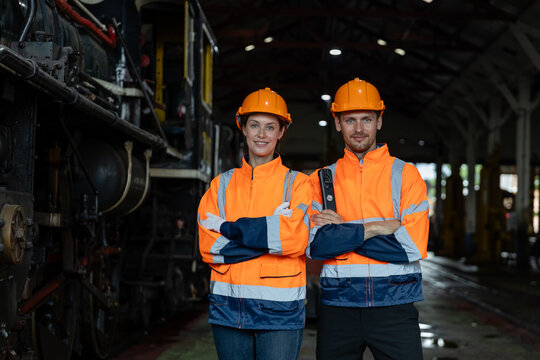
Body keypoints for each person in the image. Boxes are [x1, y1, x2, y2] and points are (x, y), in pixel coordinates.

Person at [308, 78, 429, 359]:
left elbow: (410, 246)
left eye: (366, 119)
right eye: (350, 120)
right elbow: (316, 246)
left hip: (395, 307)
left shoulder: (406, 175)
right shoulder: (323, 179)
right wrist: (376, 228)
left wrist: (343, 234)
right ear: (337, 123)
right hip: (338, 308)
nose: (359, 129)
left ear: (379, 121)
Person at [198, 87, 311, 360]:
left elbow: (296, 240)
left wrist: (229, 228)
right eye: (254, 125)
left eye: (270, 127)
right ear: (243, 128)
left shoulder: (297, 184)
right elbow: (210, 248)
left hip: (280, 314)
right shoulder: (220, 185)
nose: (262, 134)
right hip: (229, 311)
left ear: (281, 132)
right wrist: (271, 234)